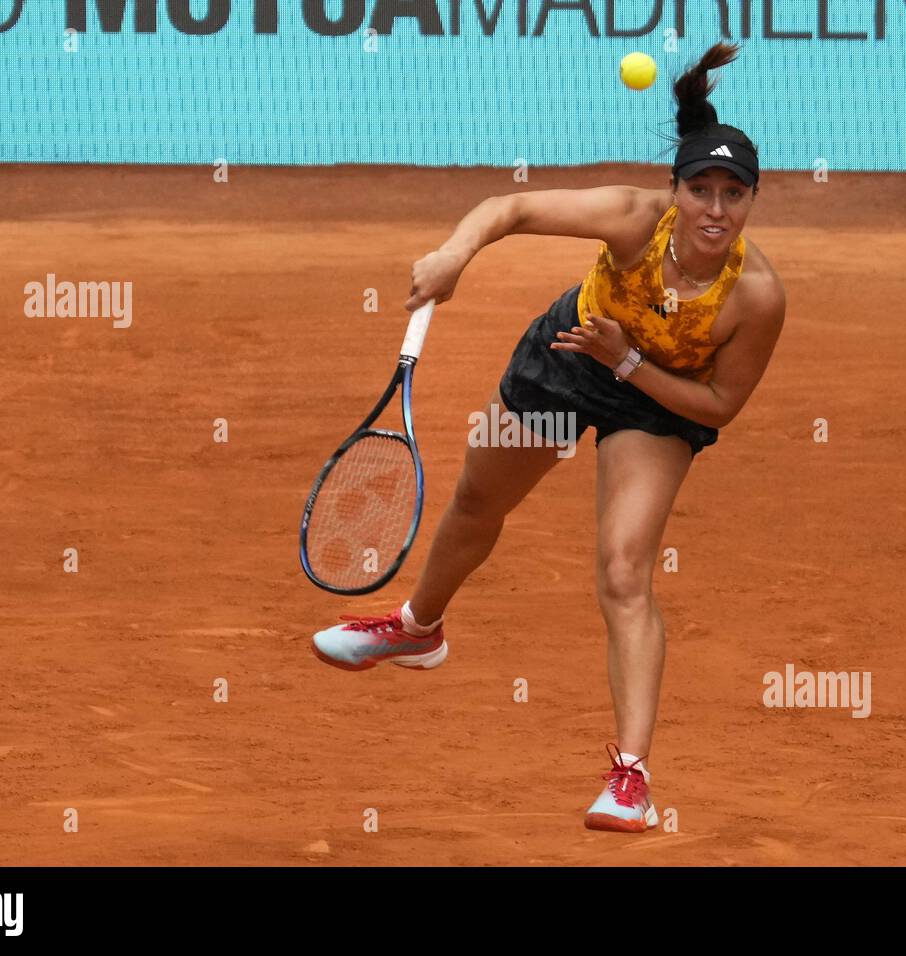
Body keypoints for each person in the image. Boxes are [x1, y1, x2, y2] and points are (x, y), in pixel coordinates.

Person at [312, 41, 785, 833]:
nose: (714, 208)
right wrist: (456, 253)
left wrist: (628, 361)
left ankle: (630, 778)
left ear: (750, 203)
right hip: (570, 355)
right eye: (700, 188)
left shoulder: (758, 298)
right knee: (475, 500)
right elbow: (515, 209)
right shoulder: (634, 217)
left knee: (624, 569)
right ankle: (417, 628)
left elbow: (716, 408)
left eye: (731, 194)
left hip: (657, 399)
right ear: (674, 192)